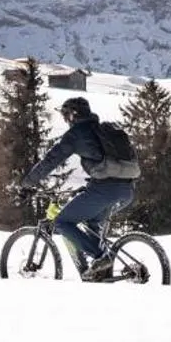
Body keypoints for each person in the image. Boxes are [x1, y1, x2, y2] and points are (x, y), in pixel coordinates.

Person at [20, 95, 141, 281]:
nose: (65, 120)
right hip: (126, 190)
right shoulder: (101, 129)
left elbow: (51, 160)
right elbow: (106, 163)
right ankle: (99, 272)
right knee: (92, 224)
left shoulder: (77, 133)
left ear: (73, 115)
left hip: (104, 190)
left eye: (66, 115)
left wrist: (28, 183)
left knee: (62, 222)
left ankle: (102, 257)